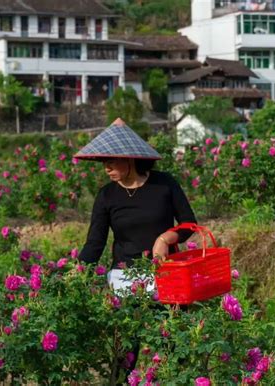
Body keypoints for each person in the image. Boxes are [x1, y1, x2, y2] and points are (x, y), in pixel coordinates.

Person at [73, 117, 197, 382]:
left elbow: (189, 224)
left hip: (166, 276)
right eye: (102, 162)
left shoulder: (164, 185)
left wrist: (165, 237)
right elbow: (95, 243)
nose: (106, 167)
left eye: (112, 161)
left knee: (173, 344)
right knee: (124, 351)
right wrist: (78, 272)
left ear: (129, 158)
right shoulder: (107, 195)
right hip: (125, 280)